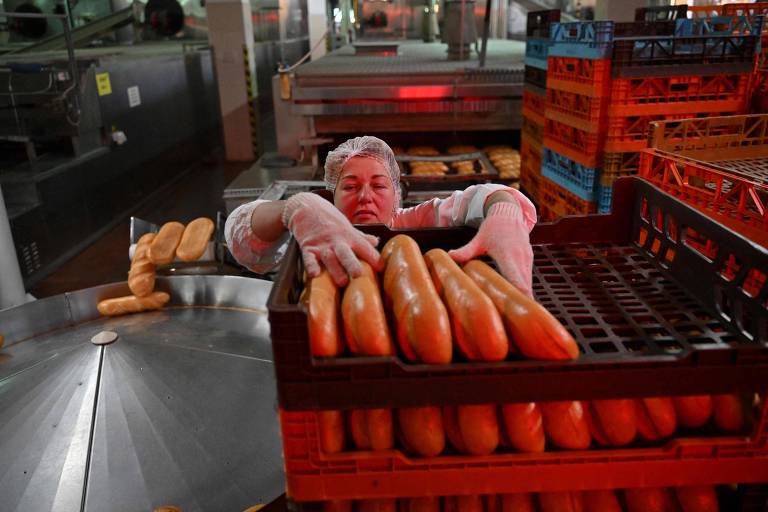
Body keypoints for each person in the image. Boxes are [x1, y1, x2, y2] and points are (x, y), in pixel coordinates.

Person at [225, 136, 537, 296]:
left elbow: (475, 198)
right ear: (332, 195)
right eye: (349, 186)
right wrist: (291, 208)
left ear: (396, 194)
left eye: (378, 185)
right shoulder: (314, 237)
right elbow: (241, 239)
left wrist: (502, 206)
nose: (364, 196)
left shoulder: (415, 222)